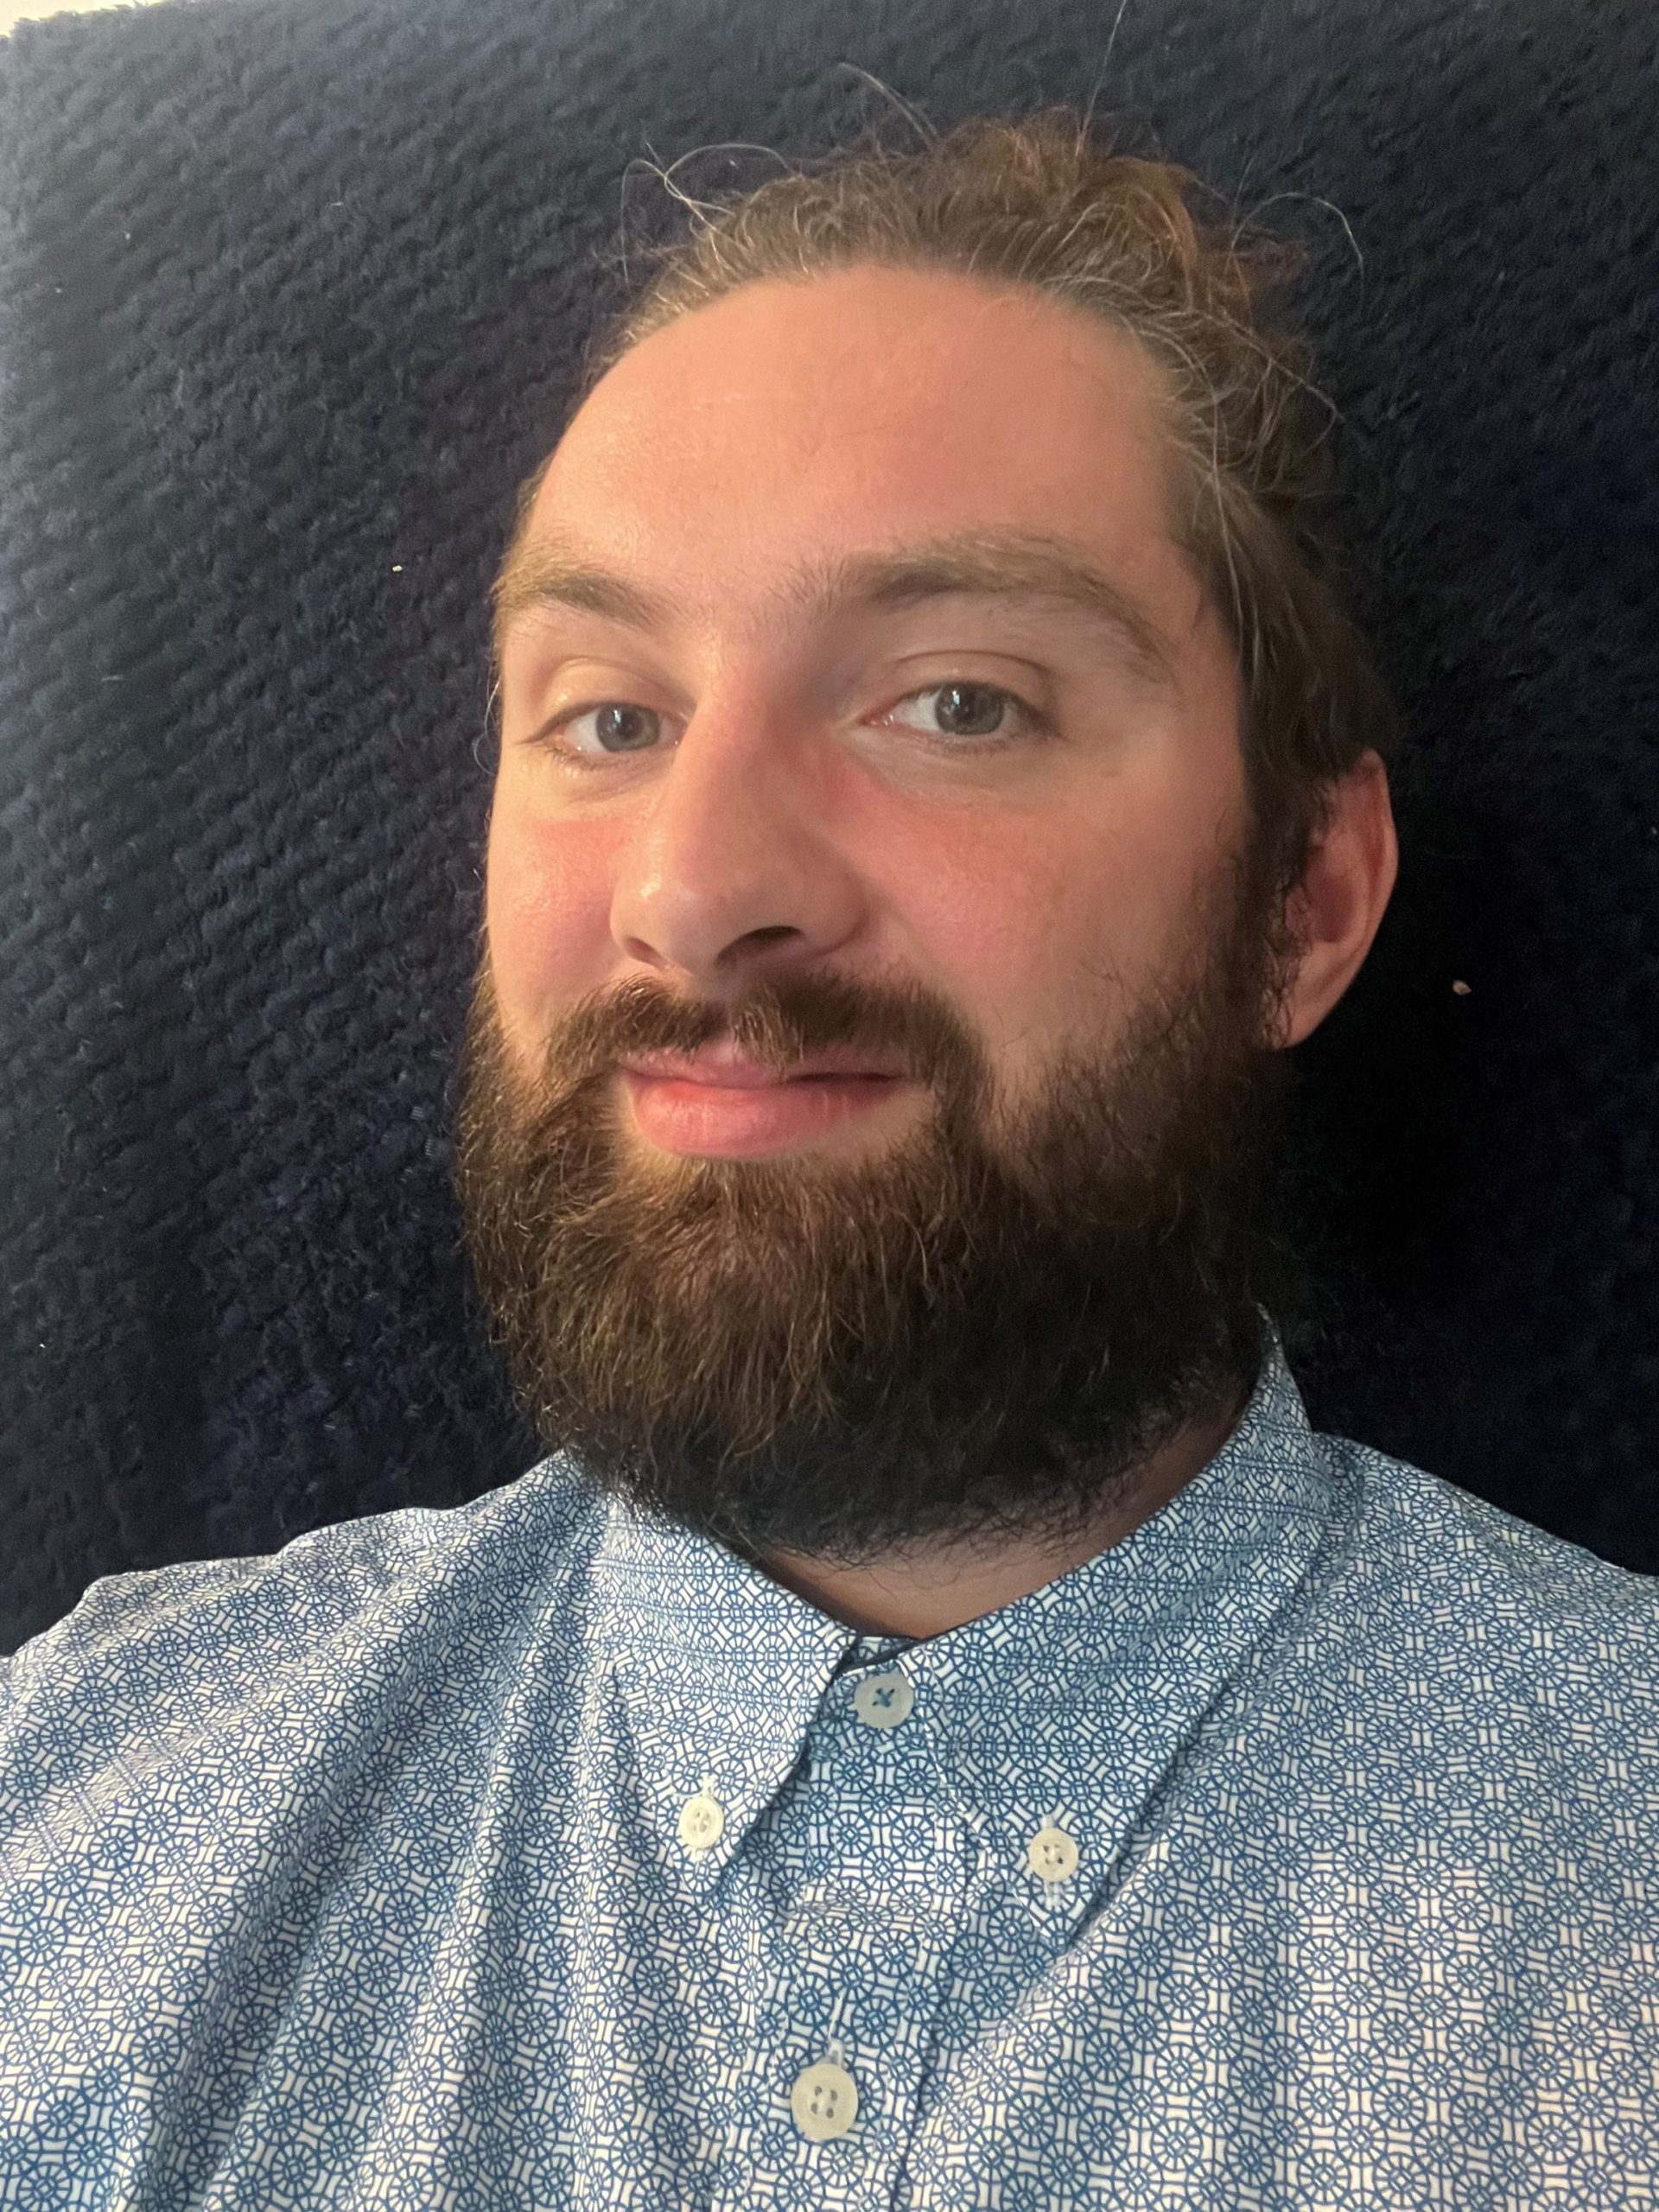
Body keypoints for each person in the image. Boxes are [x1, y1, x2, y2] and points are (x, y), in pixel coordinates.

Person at [3, 108, 1656, 2209]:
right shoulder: (71, 1818)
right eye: (608, 716)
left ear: (1307, 905)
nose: (696, 891)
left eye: (958, 701)